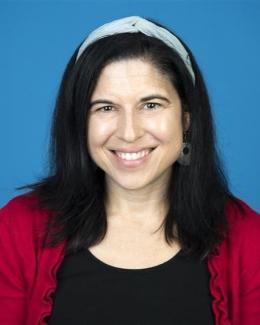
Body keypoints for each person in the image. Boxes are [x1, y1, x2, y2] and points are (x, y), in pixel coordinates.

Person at [0, 15, 259, 325]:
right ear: (80, 122)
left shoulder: (249, 240)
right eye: (106, 108)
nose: (129, 132)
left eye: (151, 104)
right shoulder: (14, 231)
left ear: (187, 119)